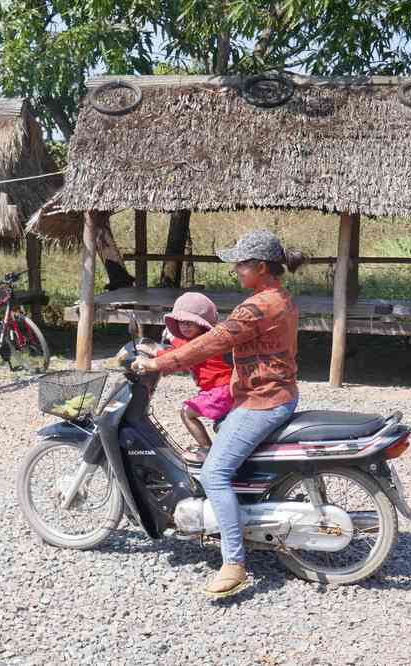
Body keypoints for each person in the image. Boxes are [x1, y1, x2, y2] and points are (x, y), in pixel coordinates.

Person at [132, 229, 305, 598]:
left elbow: (211, 342)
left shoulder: (258, 306)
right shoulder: (280, 298)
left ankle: (234, 562)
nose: (236, 271)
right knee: (221, 446)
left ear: (260, 267)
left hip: (263, 401)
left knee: (214, 471)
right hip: (272, 393)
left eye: (241, 264)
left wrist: (159, 364)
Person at [151, 293, 233, 455]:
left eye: (190, 323)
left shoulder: (201, 343)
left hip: (220, 392)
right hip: (224, 389)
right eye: (181, 323)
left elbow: (179, 356)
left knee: (187, 412)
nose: (185, 326)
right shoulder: (205, 339)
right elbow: (180, 348)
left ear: (201, 325)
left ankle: (206, 449)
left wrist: (153, 352)